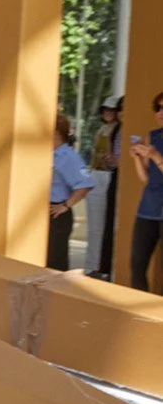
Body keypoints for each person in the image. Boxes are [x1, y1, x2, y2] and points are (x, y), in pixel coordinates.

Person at [47, 114, 95, 271]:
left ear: (55, 132)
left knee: (55, 263)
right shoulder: (46, 153)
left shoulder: (68, 157)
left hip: (56, 214)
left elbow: (85, 184)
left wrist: (66, 205)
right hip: (43, 212)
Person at [126, 91, 163, 292]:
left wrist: (156, 156)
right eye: (158, 108)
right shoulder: (154, 136)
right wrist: (137, 159)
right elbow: (147, 178)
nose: (161, 112)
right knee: (137, 263)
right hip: (148, 208)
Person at [86, 95, 123, 278]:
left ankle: (99, 265)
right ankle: (92, 264)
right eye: (106, 110)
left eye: (112, 110)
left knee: (103, 225)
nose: (109, 113)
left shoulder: (118, 130)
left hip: (107, 176)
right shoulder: (103, 128)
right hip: (97, 173)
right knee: (94, 226)